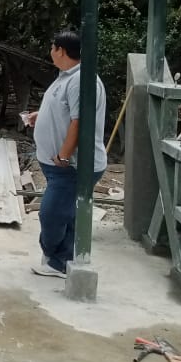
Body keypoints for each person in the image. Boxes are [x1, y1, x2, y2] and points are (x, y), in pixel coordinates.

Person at [27, 30, 107, 278]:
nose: (50, 52)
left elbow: (79, 122)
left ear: (61, 50)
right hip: (60, 166)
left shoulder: (81, 80)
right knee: (66, 213)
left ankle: (57, 259)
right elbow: (64, 110)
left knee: (51, 214)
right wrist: (41, 116)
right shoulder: (67, 77)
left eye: (52, 48)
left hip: (70, 166)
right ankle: (62, 259)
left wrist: (63, 156)